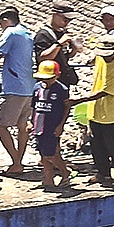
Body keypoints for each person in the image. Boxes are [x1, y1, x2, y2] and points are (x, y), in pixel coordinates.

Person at [0, 7, 37, 174]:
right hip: (29, 85)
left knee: (0, 126)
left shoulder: (11, 33)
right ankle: (18, 161)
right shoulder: (26, 33)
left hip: (15, 87)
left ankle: (16, 162)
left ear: (5, 20)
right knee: (22, 125)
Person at [77, 37, 114, 185]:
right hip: (97, 111)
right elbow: (97, 58)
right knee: (97, 145)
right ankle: (103, 173)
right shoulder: (101, 58)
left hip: (112, 114)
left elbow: (105, 91)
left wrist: (78, 101)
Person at [33, 60, 73, 188]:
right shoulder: (37, 88)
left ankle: (65, 172)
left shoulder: (61, 89)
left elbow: (66, 107)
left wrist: (61, 125)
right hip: (39, 125)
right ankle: (48, 178)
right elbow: (34, 106)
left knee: (51, 154)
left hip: (52, 125)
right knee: (43, 153)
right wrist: (30, 122)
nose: (46, 81)